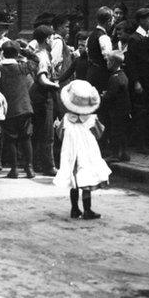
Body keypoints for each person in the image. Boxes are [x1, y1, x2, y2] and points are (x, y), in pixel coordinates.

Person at [53, 80, 111, 219]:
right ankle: (87, 210)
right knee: (87, 180)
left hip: (71, 152)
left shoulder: (66, 119)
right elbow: (99, 134)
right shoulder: (92, 119)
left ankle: (74, 209)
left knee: (74, 180)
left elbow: (60, 135)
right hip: (87, 152)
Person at [0, 40, 38, 178]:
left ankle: (14, 169)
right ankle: (29, 169)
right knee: (26, 138)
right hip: (24, 108)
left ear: (3, 53)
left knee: (11, 140)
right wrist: (23, 50)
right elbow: (35, 59)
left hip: (8, 110)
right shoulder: (22, 68)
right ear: (16, 54)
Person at [30, 25, 63, 176]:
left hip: (36, 94)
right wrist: (54, 85)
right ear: (47, 39)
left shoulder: (37, 53)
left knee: (38, 131)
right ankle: (49, 166)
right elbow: (42, 79)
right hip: (44, 94)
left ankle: (36, 163)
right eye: (51, 37)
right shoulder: (43, 56)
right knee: (47, 132)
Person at [127, 7, 149, 153]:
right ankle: (140, 143)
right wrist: (136, 81)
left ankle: (145, 140)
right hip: (141, 81)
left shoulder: (148, 37)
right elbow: (131, 62)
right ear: (141, 21)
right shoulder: (134, 39)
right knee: (140, 112)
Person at [85, 7, 115, 92]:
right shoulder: (104, 37)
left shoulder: (91, 35)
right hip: (101, 76)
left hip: (91, 72)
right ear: (109, 21)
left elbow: (88, 51)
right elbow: (109, 58)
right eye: (112, 20)